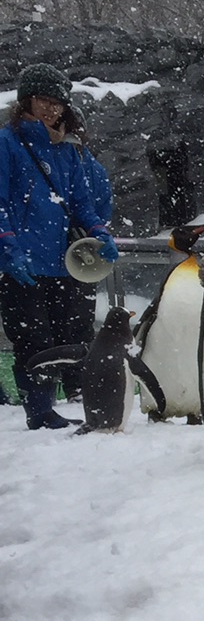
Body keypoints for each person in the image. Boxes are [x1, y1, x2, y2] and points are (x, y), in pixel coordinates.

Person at [0, 63, 118, 430]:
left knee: (70, 336)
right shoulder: (7, 142)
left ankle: (67, 400)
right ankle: (38, 409)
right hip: (24, 260)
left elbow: (81, 202)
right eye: (43, 100)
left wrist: (99, 231)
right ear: (26, 101)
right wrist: (9, 247)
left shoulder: (65, 149)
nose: (51, 109)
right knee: (33, 337)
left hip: (63, 261)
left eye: (57, 103)